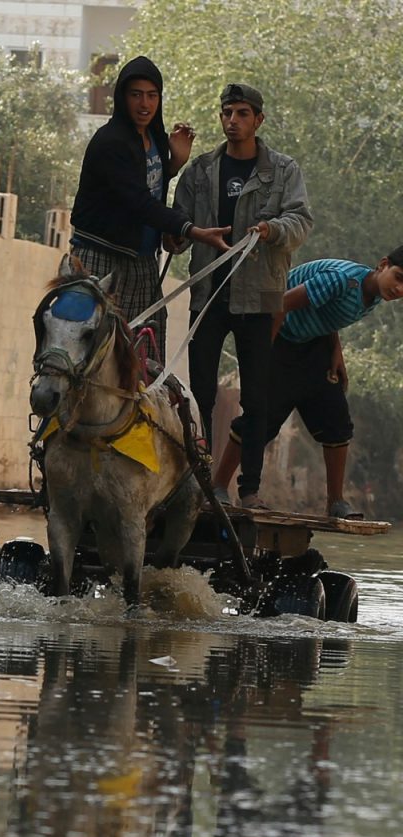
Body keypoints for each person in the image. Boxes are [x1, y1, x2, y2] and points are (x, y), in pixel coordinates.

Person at [170, 83, 313, 511]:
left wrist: (272, 230)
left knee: (256, 396)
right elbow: (177, 225)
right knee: (201, 394)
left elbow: (301, 220)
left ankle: (249, 489)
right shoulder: (199, 171)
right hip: (208, 296)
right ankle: (196, 483)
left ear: (258, 120)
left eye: (242, 113)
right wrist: (174, 232)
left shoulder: (283, 171)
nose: (233, 121)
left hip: (261, 295)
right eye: (227, 113)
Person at [211, 245, 403, 518]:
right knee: (261, 417)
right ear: (383, 264)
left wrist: (336, 352)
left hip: (314, 344)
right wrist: (263, 360)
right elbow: (279, 304)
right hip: (280, 333)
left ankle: (335, 502)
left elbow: (328, 311)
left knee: (337, 422)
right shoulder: (342, 279)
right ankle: (219, 486)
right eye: (399, 277)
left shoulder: (372, 294)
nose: (399, 289)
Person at [69, 56, 231, 356]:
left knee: (148, 347)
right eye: (136, 94)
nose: (145, 104)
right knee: (89, 352)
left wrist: (173, 165)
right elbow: (138, 201)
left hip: (142, 261)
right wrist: (194, 231)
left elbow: (147, 186)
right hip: (100, 258)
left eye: (152, 95)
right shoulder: (111, 142)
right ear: (122, 97)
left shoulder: (154, 135)